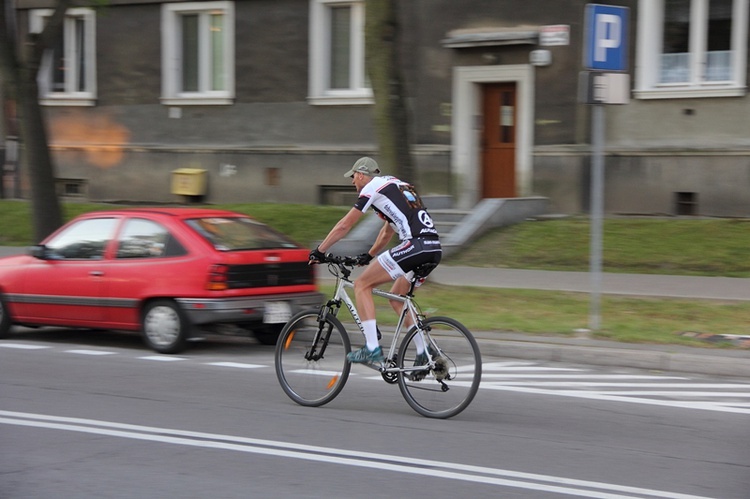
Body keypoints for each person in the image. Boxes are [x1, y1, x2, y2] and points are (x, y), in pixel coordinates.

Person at [309, 157, 442, 365]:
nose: (353, 182)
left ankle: (372, 348)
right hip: (433, 249)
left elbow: (345, 225)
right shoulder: (396, 185)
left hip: (414, 246)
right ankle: (423, 353)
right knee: (397, 298)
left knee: (362, 285)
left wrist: (320, 251)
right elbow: (387, 232)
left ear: (361, 175)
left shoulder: (371, 187)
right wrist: (369, 255)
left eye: (353, 177)